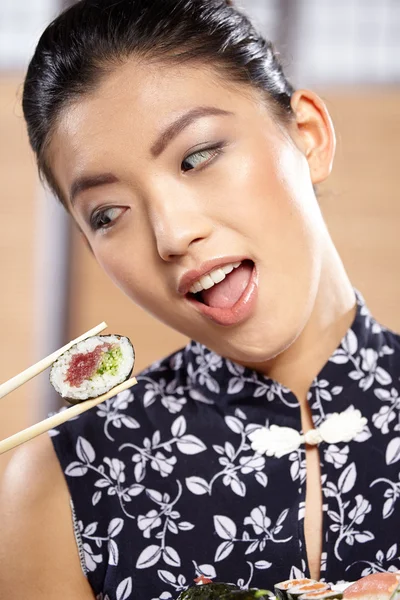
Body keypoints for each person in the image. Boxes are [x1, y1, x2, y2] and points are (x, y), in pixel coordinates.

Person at [1, 0, 399, 598]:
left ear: (308, 138)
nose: (171, 233)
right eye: (109, 214)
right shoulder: (57, 484)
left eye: (197, 156)